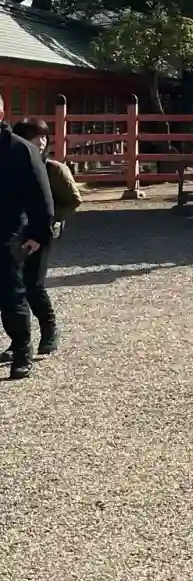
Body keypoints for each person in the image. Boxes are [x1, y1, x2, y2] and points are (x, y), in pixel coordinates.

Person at [11, 118, 80, 359]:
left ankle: (49, 329)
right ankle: (19, 339)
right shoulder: (11, 165)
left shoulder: (54, 169)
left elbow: (73, 200)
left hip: (42, 230)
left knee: (33, 284)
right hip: (15, 231)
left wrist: (53, 219)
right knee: (12, 287)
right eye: (33, 136)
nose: (40, 142)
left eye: (43, 136)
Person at [0, 94, 54, 382]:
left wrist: (38, 233)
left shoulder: (20, 149)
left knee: (11, 295)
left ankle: (22, 350)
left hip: (8, 231)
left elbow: (40, 195)